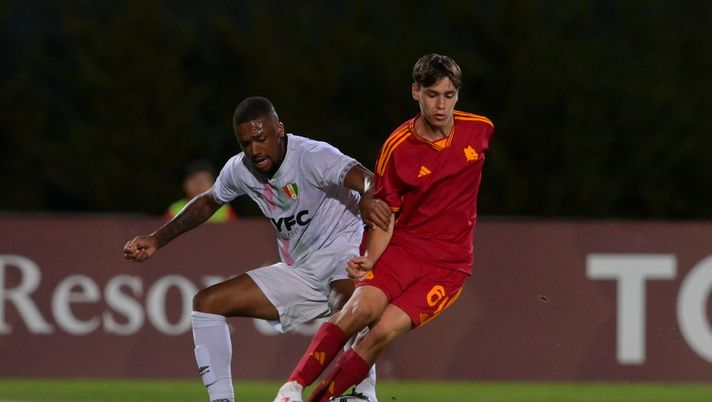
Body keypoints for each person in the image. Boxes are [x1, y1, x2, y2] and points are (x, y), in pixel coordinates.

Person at [123, 96, 391, 402]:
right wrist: (157, 239)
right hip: (298, 269)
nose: (254, 150)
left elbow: (369, 180)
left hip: (343, 252)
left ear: (279, 130)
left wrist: (369, 195)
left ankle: (363, 395)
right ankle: (222, 399)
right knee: (207, 302)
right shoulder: (241, 169)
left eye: (261, 139)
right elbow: (209, 201)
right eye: (245, 142)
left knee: (348, 301)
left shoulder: (313, 156)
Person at [273, 53, 494, 402]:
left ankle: (318, 400)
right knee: (360, 310)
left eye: (449, 95)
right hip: (403, 250)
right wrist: (371, 259)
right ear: (415, 93)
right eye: (433, 94)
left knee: (382, 332)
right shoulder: (398, 147)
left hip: (448, 266)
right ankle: (292, 388)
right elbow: (384, 213)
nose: (442, 105)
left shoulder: (480, 130)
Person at [165, 159, 237, 223]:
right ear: (185, 185)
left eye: (205, 180)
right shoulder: (174, 211)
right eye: (194, 179)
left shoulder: (224, 210)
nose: (199, 184)